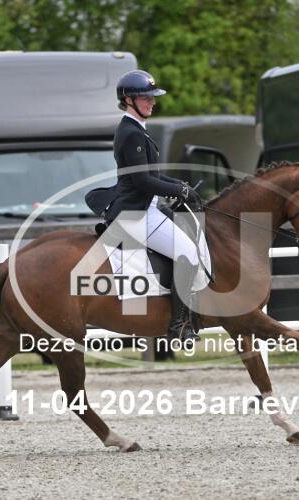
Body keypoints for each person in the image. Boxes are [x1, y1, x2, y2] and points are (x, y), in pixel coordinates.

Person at [85, 70, 203, 341]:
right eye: (146, 98)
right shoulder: (130, 133)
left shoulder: (137, 129)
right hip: (135, 213)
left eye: (152, 97)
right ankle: (179, 325)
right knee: (187, 254)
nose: (152, 102)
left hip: (144, 208)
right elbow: (142, 180)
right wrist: (178, 190)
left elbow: (154, 175)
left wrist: (181, 186)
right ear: (129, 100)